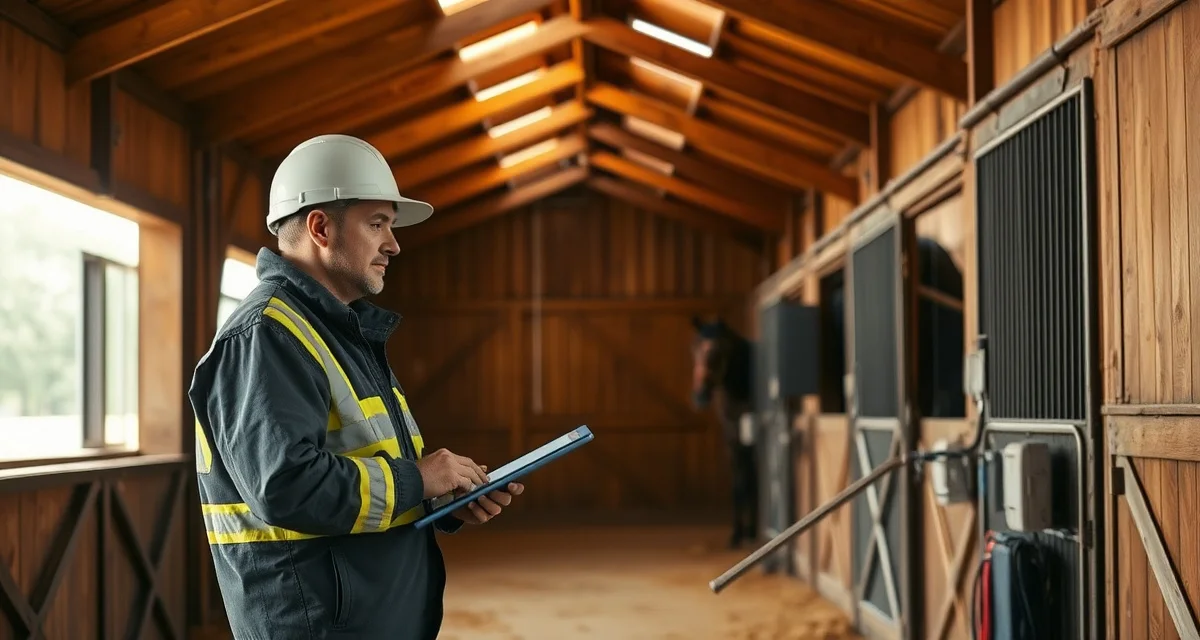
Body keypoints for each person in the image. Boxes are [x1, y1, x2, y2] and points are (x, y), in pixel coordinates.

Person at [189, 134, 523, 640]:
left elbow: (365, 468)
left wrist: (441, 499)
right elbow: (285, 486)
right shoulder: (267, 335)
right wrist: (418, 480)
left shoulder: (338, 333)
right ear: (321, 228)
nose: (394, 244)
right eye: (377, 223)